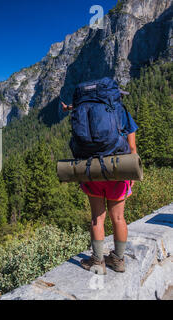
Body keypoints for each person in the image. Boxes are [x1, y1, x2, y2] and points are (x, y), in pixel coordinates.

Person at [61, 96, 138, 275]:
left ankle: (97, 261)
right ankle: (118, 260)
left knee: (97, 218)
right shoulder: (122, 112)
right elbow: (132, 147)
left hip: (93, 171)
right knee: (118, 218)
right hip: (117, 171)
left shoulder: (86, 110)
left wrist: (69, 108)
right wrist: (132, 171)